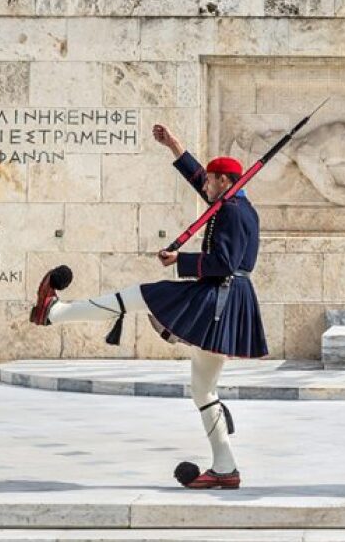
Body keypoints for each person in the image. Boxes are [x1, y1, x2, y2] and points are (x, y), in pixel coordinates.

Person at [29, 124, 267, 490]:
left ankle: (54, 312)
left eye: (211, 180)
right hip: (227, 298)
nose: (205, 184)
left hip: (220, 296)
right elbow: (198, 179)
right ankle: (225, 467)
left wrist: (179, 260)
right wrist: (174, 146)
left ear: (223, 181)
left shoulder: (233, 212)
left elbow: (223, 261)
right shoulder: (234, 204)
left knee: (144, 294)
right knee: (203, 389)